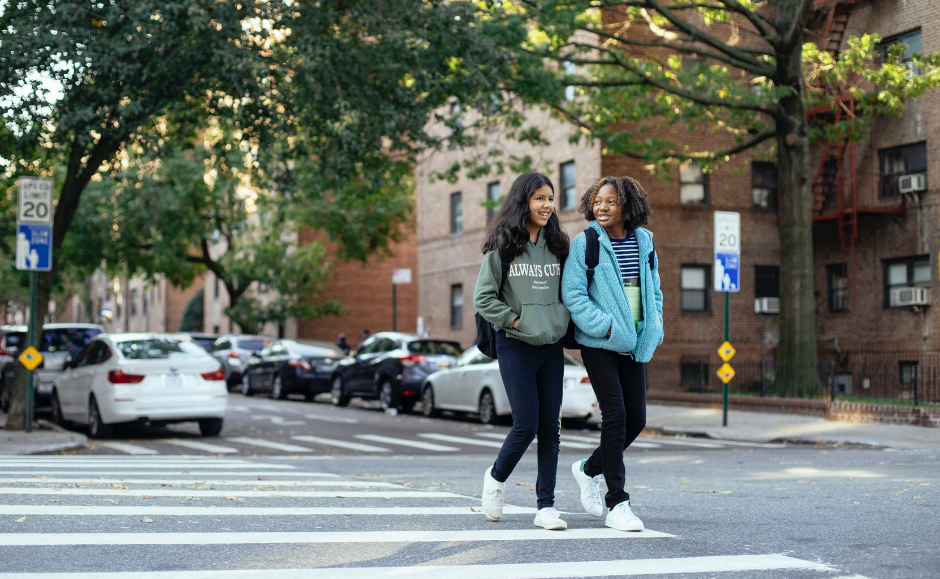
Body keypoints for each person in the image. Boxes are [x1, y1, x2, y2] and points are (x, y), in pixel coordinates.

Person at [561, 176, 664, 532]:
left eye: (611, 202)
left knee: (636, 419)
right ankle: (618, 502)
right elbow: (573, 294)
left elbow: (654, 289)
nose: (602, 207)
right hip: (600, 342)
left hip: (635, 341)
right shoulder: (585, 242)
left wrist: (656, 323)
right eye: (597, 201)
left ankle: (588, 469)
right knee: (616, 415)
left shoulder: (644, 241)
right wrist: (604, 326)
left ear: (628, 206)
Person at [472, 172, 571, 531]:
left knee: (550, 429)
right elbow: (482, 297)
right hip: (515, 344)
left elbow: (571, 291)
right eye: (539, 199)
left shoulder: (560, 244)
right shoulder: (504, 243)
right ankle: (496, 478)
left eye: (550, 198)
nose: (547, 206)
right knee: (525, 425)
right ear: (523, 202)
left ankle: (546, 506)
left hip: (551, 346)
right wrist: (514, 322)